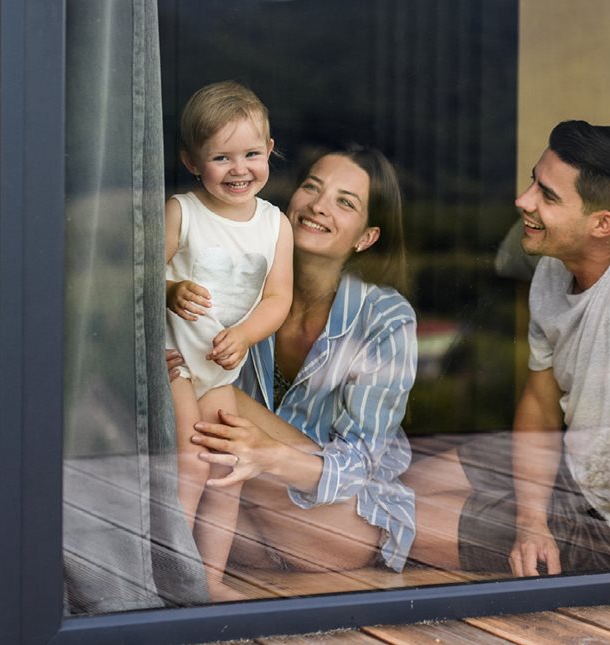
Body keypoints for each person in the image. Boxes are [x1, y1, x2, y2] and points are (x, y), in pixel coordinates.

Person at [407, 120, 610, 576]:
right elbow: (539, 403)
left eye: (547, 196)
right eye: (533, 180)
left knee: (390, 522)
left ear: (602, 224)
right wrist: (532, 522)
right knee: (407, 488)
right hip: (572, 469)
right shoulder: (553, 268)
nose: (523, 201)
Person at [182, 143, 423, 583]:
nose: (318, 206)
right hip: (243, 510)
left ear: (366, 236)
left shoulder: (384, 317)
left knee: (210, 390)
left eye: (344, 203)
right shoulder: (242, 281)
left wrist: (266, 454)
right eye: (312, 188)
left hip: (336, 523)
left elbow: (359, 465)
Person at [163, 80, 294, 600]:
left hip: (218, 369)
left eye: (251, 154)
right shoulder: (183, 212)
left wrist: (243, 334)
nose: (239, 169)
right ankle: (169, 578)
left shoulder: (274, 225)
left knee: (228, 470)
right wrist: (170, 290)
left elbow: (277, 299)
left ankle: (209, 581)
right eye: (221, 157)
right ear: (192, 162)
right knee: (190, 463)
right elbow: (133, 277)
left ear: (269, 150)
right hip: (172, 362)